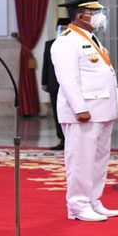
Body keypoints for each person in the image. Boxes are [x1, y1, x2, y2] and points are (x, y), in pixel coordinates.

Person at [51, 0, 118, 222]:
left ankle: (93, 200)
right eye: (94, 11)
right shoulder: (66, 41)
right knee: (81, 160)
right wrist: (79, 108)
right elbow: (68, 79)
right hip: (84, 112)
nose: (100, 15)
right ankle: (78, 206)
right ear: (81, 15)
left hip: (102, 109)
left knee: (99, 159)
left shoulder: (91, 39)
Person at [42, 17, 71, 150]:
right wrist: (44, 82)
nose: (63, 31)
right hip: (54, 84)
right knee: (58, 113)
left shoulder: (74, 44)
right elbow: (46, 64)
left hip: (71, 84)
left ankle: (73, 140)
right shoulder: (50, 44)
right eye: (61, 29)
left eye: (66, 28)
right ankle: (62, 139)